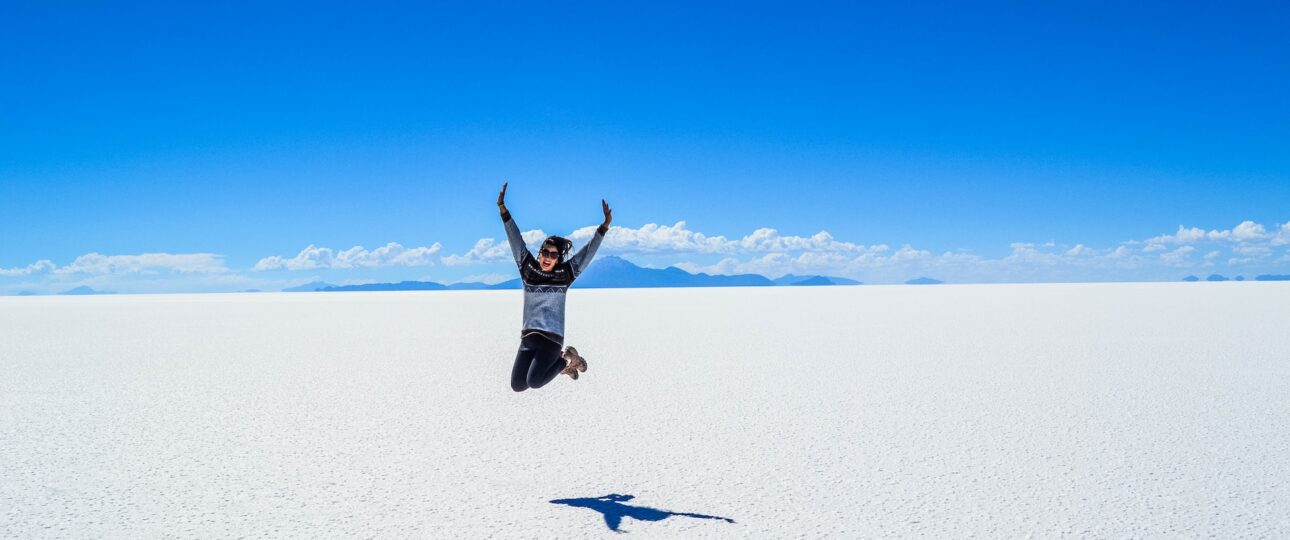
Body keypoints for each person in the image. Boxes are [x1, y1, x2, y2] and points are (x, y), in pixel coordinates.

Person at [497, 182, 611, 392]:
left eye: (553, 255)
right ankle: (564, 365)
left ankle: (568, 361)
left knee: (535, 381)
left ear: (558, 259)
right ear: (539, 253)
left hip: (551, 338)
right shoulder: (527, 269)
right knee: (518, 385)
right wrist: (504, 211)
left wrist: (603, 229)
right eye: (545, 253)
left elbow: (586, 254)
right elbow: (515, 240)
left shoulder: (564, 275)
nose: (548, 257)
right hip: (529, 337)